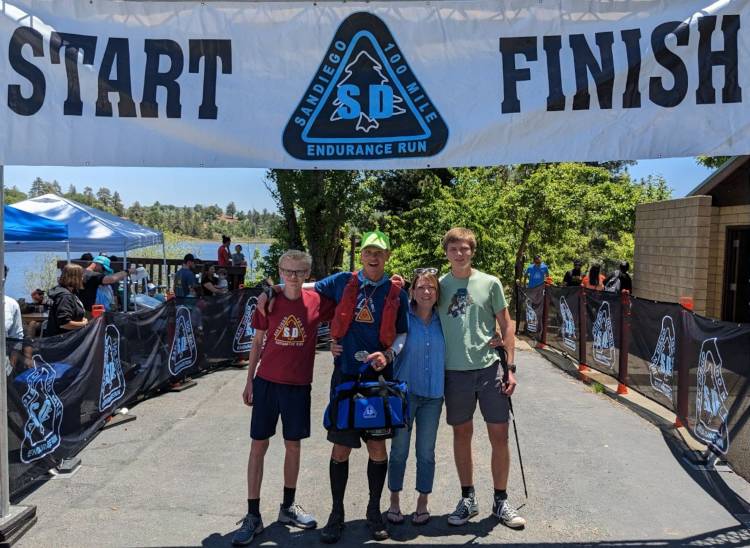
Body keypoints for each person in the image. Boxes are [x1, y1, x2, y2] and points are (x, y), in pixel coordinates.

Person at [257, 230, 409, 543]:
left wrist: (389, 352)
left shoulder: (397, 292)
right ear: (363, 255)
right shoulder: (342, 280)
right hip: (346, 378)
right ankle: (336, 513)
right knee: (341, 447)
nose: (373, 257)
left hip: (379, 380)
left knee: (378, 447)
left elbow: (403, 333)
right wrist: (271, 289)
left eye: (379, 252)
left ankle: (373, 511)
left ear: (388, 256)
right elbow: (302, 284)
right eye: (368, 251)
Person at [232, 250, 336, 546]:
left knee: (293, 446)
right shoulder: (269, 302)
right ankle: (253, 514)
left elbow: (347, 299)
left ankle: (287, 507)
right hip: (267, 383)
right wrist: (249, 380)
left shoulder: (317, 301)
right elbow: (257, 342)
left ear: (308, 276)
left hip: (299, 386)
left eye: (299, 272)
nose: (292, 277)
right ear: (279, 271)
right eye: (287, 272)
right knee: (258, 446)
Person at [439, 227, 525, 529]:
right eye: (453, 249)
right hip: (455, 372)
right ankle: (468, 499)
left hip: (490, 370)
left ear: (472, 251)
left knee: (499, 437)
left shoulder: (490, 283)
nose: (459, 254)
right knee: (462, 435)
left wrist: (510, 367)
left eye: (464, 248)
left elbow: (507, 324)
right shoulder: (438, 286)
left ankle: (501, 500)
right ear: (446, 252)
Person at [385, 269, 445, 525]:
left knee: (426, 453)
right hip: (405, 395)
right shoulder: (403, 317)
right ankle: (394, 501)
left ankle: (422, 503)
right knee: (399, 451)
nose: (426, 292)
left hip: (434, 396)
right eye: (420, 287)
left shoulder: (444, 320)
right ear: (412, 291)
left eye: (431, 288)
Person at [45, 264, 88, 337]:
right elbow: (64, 323)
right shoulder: (65, 296)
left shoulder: (70, 292)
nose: (82, 278)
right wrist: (83, 324)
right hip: (62, 341)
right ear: (74, 277)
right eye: (80, 276)